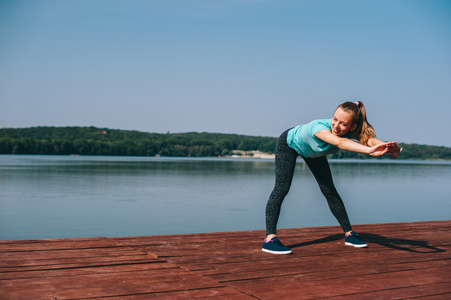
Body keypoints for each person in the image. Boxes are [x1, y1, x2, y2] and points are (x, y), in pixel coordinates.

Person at [262, 101, 401, 254]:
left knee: (329, 190)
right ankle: (269, 239)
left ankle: (349, 234)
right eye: (334, 119)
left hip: (314, 152)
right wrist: (368, 151)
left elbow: (368, 140)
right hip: (289, 144)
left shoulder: (352, 131)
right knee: (282, 188)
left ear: (352, 127)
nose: (336, 126)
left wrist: (389, 148)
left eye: (342, 123)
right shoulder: (319, 127)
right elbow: (340, 142)